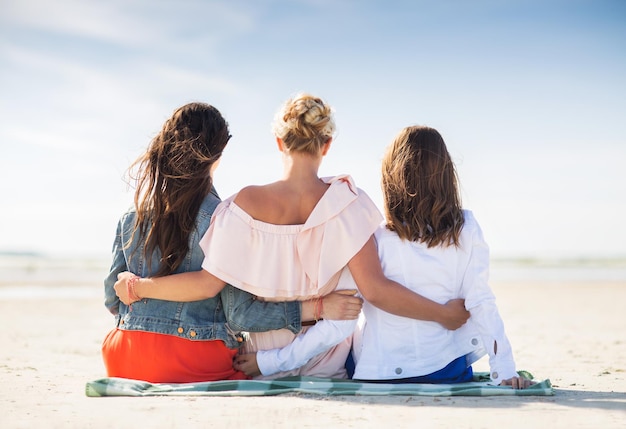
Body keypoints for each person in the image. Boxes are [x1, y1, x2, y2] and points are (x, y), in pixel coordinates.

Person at [114, 94, 470, 380]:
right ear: (327, 144)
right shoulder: (349, 204)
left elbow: (233, 311)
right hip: (326, 360)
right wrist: (443, 314)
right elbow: (375, 291)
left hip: (261, 357)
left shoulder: (241, 206)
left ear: (279, 141)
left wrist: (139, 287)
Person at [103, 102, 364, 383]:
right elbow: (240, 315)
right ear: (219, 153)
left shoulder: (131, 215)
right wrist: (317, 308)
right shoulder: (222, 217)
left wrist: (139, 291)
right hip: (194, 358)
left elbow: (112, 298)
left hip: (123, 356)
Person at [350, 125, 533, 388]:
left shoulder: (372, 235)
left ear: (390, 178)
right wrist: (503, 369)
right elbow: (480, 301)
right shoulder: (466, 227)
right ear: (446, 175)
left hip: (378, 370)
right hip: (443, 371)